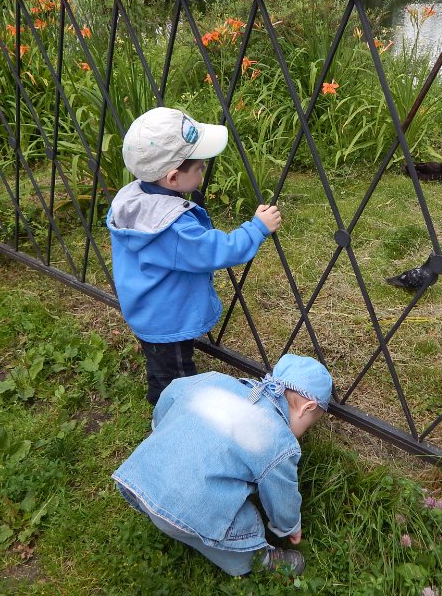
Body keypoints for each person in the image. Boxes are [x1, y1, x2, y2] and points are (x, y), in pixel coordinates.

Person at [106, 107, 282, 405]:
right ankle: (173, 418)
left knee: (162, 363)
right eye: (200, 168)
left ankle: (161, 389)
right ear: (173, 178)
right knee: (175, 379)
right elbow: (217, 250)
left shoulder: (131, 197)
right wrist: (256, 229)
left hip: (148, 309)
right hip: (167, 322)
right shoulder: (173, 228)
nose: (204, 171)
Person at [112, 354, 333, 577]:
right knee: (246, 524)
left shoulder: (213, 380)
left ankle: (175, 521)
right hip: (188, 512)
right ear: (307, 408)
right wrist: (290, 526)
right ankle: (259, 559)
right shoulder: (278, 441)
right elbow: (281, 495)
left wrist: (162, 427)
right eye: (308, 426)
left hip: (141, 480)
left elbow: (172, 392)